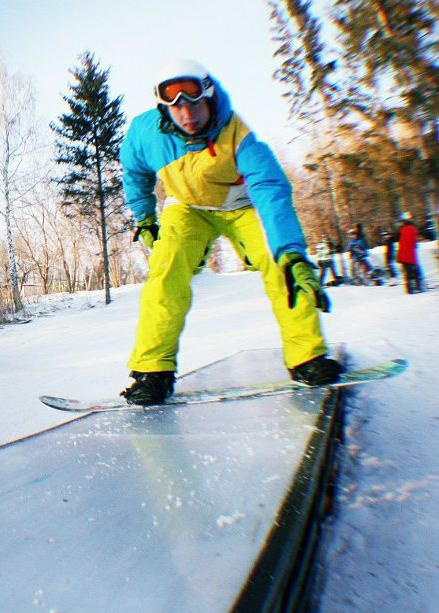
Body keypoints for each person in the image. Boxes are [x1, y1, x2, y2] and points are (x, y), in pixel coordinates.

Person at [119, 59, 341, 404]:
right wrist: (145, 217)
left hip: (242, 207)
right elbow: (135, 174)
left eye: (194, 103)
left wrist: (292, 253)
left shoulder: (239, 136)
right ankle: (152, 371)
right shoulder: (145, 133)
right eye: (176, 108)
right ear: (164, 108)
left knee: (278, 261)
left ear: (209, 97)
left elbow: (270, 189)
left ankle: (306, 357)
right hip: (188, 209)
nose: (187, 115)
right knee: (166, 267)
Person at [397, 212, 424, 294]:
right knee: (415, 271)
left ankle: (409, 289)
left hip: (402, 255)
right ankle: (418, 287)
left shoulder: (401, 229)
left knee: (407, 273)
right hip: (410, 255)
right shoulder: (412, 228)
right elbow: (414, 241)